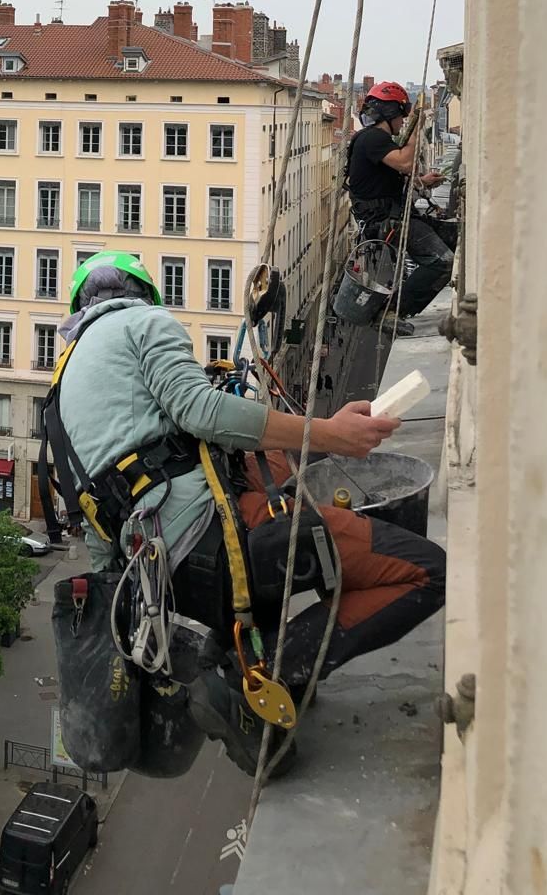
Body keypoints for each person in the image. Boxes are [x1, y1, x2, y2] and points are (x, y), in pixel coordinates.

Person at [53, 252, 446, 774]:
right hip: (216, 539)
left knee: (279, 470)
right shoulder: (143, 321)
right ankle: (263, 676)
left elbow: (93, 528)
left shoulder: (60, 392)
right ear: (142, 291)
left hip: (161, 576)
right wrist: (329, 434)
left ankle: (264, 687)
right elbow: (202, 410)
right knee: (427, 573)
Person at [346, 80, 459, 331]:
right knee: (442, 261)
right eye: (400, 116)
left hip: (392, 216)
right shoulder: (372, 138)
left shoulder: (376, 141)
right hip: (387, 220)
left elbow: (387, 181)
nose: (402, 123)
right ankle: (391, 311)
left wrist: (423, 182)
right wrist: (418, 129)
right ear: (390, 113)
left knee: (457, 236)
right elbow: (405, 164)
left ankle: (394, 308)